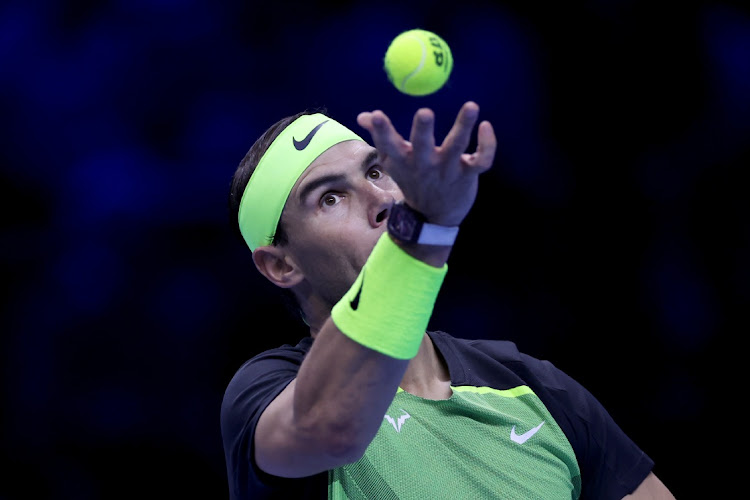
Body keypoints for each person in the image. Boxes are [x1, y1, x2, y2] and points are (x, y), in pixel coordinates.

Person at [220, 101, 675, 499]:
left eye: (376, 171)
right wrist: (423, 230)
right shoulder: (264, 392)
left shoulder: (532, 386)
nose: (381, 198)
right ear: (281, 266)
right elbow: (333, 429)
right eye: (331, 198)